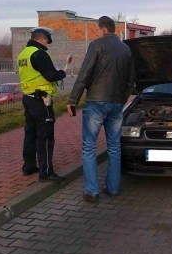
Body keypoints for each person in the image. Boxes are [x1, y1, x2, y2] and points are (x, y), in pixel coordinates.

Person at [67, 16, 134, 203]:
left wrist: (73, 100)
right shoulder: (126, 49)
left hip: (96, 102)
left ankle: (91, 191)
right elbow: (131, 82)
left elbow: (84, 74)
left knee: (89, 147)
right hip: (116, 104)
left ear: (103, 29)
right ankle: (113, 188)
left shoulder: (97, 45)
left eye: (98, 30)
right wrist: (121, 100)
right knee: (114, 146)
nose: (98, 33)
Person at [17, 27, 67, 182]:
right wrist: (62, 74)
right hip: (42, 99)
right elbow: (51, 75)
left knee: (30, 133)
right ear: (42, 39)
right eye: (47, 41)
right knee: (45, 136)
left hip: (28, 98)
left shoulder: (23, 54)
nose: (47, 44)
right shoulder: (39, 54)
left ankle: (29, 166)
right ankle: (46, 172)